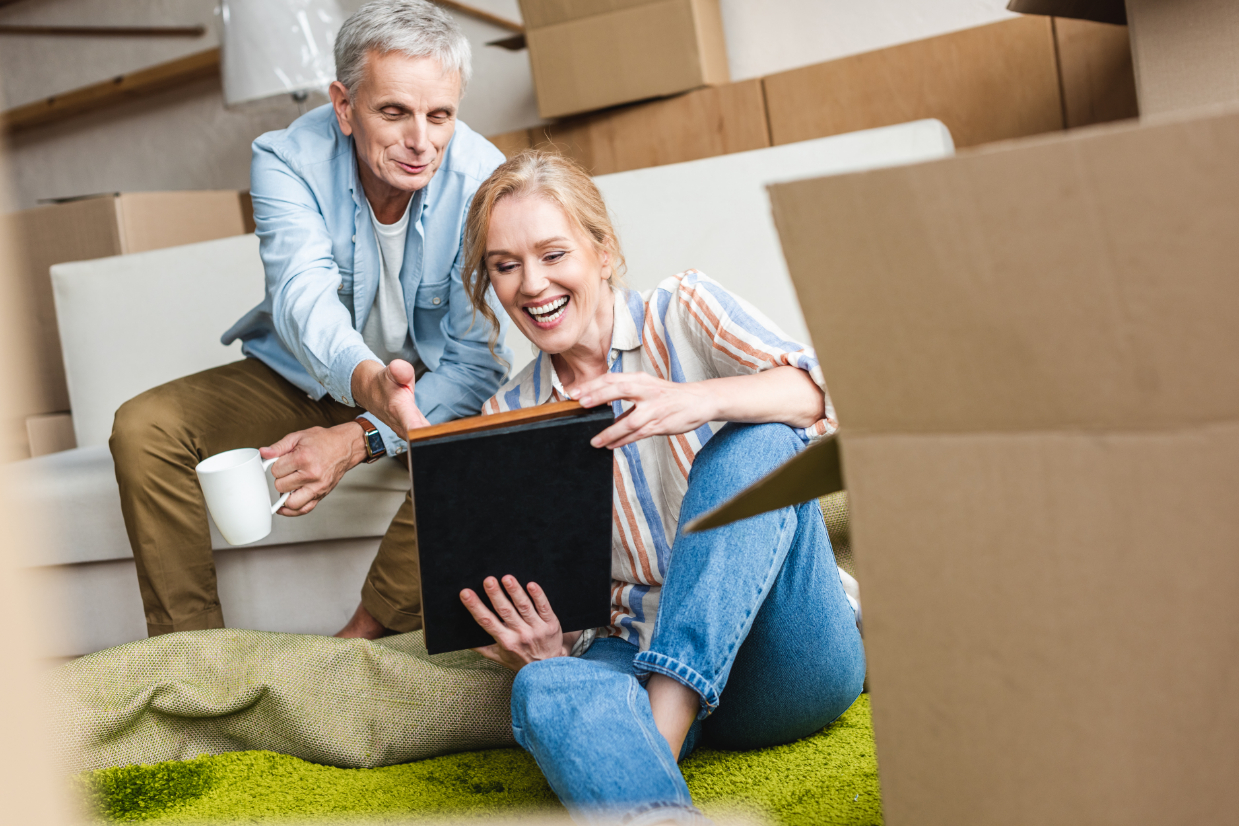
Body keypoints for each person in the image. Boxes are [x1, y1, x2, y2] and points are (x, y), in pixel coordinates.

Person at [455, 150, 867, 825]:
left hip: (783, 660)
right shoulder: (506, 420)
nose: (532, 284)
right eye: (505, 265)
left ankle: (660, 729)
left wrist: (701, 400)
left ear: (604, 253)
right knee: (545, 685)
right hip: (631, 656)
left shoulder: (685, 308)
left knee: (758, 443)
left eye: (553, 254)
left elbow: (832, 392)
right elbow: (543, 604)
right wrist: (545, 649)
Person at [109, 0, 509, 640]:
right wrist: (371, 387)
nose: (421, 142)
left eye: (440, 116)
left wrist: (362, 436)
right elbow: (301, 298)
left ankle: (350, 653)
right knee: (144, 428)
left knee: (488, 446)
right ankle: (194, 665)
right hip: (304, 378)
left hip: (429, 392)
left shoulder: (485, 179)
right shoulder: (285, 159)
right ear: (344, 105)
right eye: (394, 112)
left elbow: (473, 363)